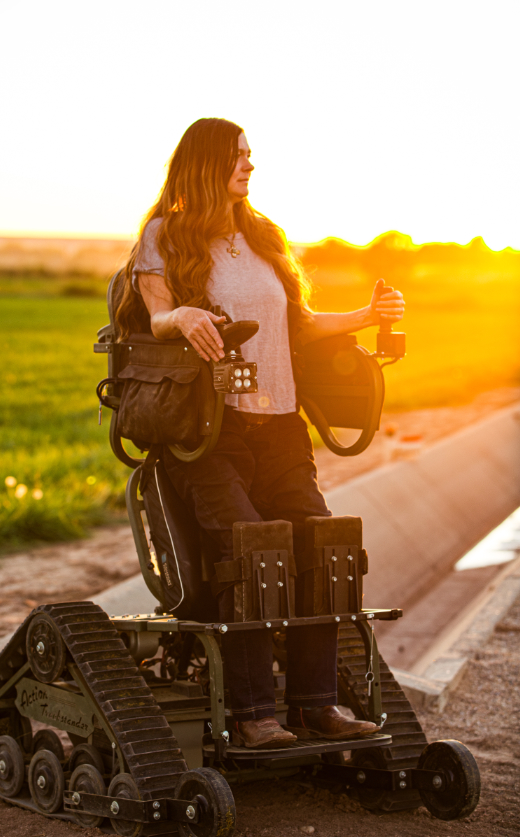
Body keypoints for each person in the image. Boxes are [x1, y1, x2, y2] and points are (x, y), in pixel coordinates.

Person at [117, 118, 405, 749]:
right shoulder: (164, 235)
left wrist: (366, 315)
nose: (249, 165)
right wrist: (185, 314)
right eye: (237, 156)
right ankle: (253, 717)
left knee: (325, 549)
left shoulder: (263, 234)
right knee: (253, 553)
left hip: (281, 429)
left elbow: (296, 324)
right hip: (209, 433)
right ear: (204, 164)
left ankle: (316, 707)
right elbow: (159, 314)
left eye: (251, 155)